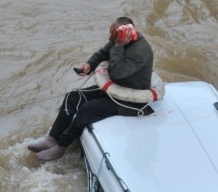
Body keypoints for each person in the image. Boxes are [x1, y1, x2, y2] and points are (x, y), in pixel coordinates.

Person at [28, 16, 154, 161]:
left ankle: (61, 146)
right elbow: (103, 52)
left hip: (130, 99)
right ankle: (52, 138)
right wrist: (90, 65)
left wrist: (119, 46)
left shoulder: (140, 51)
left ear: (126, 34)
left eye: (113, 36)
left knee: (88, 109)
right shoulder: (117, 40)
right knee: (73, 97)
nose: (110, 38)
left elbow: (117, 72)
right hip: (115, 88)